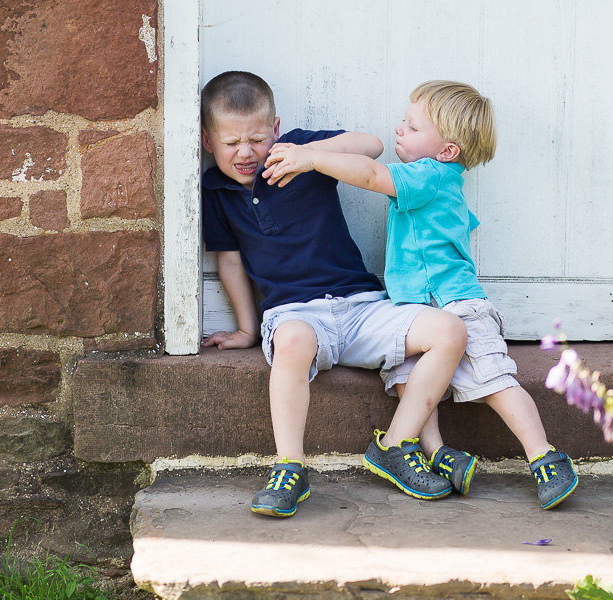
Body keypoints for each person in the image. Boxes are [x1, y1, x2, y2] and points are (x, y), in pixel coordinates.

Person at [263, 80, 578, 509]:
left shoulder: (428, 176)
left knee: (494, 380)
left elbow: (373, 173)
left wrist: (312, 158)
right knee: (409, 382)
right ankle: (437, 453)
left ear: (447, 150)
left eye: (412, 127)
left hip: (455, 303)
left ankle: (541, 453)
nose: (399, 130)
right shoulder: (437, 179)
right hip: (416, 309)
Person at [200, 71, 469, 518]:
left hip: (362, 304)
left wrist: (310, 157)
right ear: (208, 142)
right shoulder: (216, 192)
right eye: (231, 143)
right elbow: (229, 261)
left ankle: (395, 446)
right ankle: (290, 467)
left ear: (277, 129)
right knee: (291, 342)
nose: (246, 153)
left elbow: (371, 145)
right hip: (296, 315)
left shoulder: (303, 149)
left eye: (258, 139)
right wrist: (248, 329)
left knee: (449, 330)